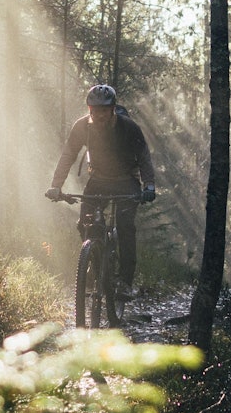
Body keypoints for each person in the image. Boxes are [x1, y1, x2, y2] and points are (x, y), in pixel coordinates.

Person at [46, 84, 156, 298]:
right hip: (98, 180)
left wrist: (148, 185)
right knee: (85, 223)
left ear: (113, 109)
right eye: (94, 110)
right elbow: (68, 155)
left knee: (125, 226)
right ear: (89, 110)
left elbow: (144, 157)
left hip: (126, 181)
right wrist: (56, 185)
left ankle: (125, 281)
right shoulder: (82, 127)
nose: (99, 115)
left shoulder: (128, 127)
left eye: (104, 110)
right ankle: (93, 259)